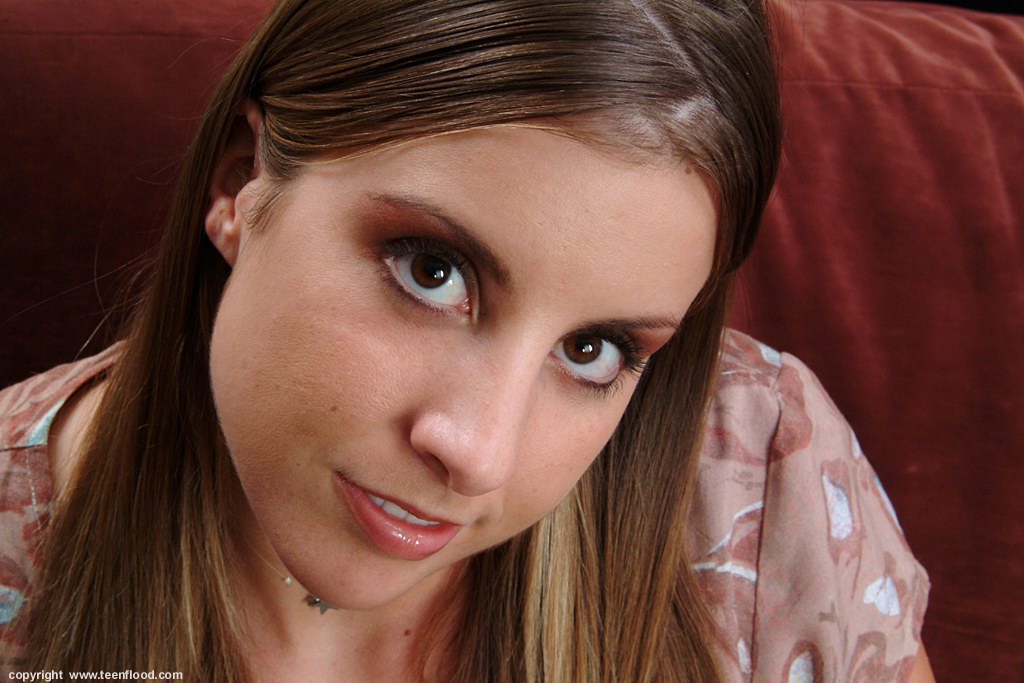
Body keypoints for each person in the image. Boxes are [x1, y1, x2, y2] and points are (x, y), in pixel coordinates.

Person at [0, 0, 934, 681]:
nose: (480, 455)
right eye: (433, 270)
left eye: (595, 349)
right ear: (241, 183)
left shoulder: (766, 485)